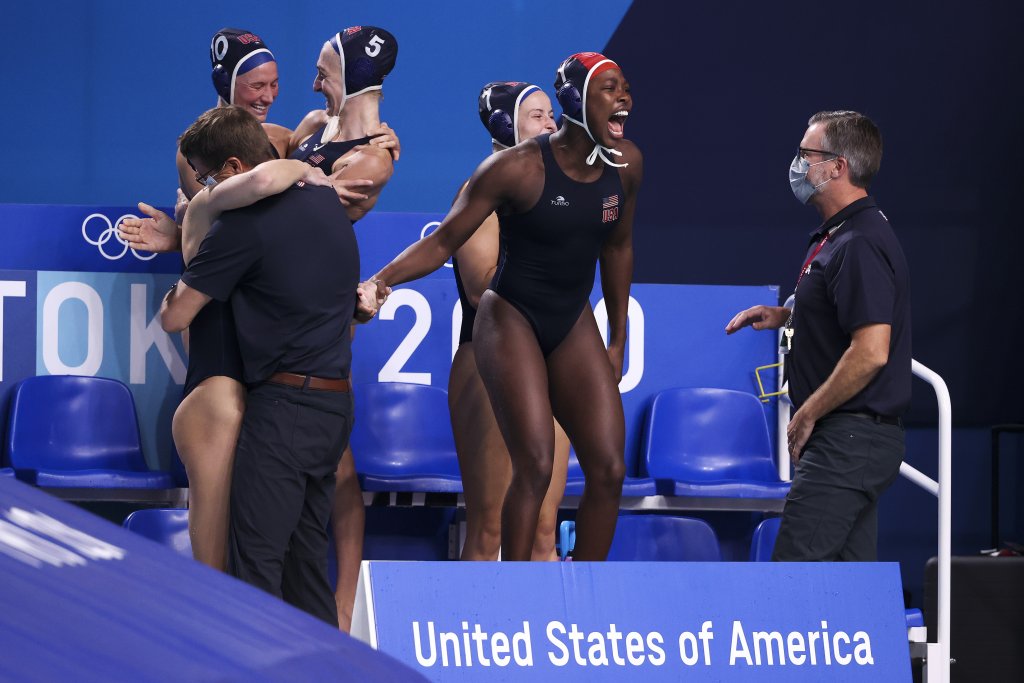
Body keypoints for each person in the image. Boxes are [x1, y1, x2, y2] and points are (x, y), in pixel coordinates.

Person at [361, 53, 642, 561]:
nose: (624, 98)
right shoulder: (516, 168)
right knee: (533, 465)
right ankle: (510, 600)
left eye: (625, 88)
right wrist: (381, 281)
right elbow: (444, 242)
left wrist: (618, 337)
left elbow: (618, 247)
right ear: (576, 102)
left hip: (570, 319)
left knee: (609, 470)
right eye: (610, 89)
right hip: (509, 317)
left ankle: (590, 598)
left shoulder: (626, 166)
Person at [161, 105, 365, 625]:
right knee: (300, 567)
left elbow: (175, 315)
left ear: (232, 169)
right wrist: (303, 167)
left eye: (206, 179)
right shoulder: (327, 207)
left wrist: (294, 165)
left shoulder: (239, 224)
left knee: (249, 571)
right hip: (330, 404)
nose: (201, 190)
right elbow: (272, 173)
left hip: (279, 407)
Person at [725, 110, 911, 561]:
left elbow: (870, 352)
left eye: (805, 155)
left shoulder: (859, 242)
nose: (797, 165)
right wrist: (788, 315)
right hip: (852, 441)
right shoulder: (838, 236)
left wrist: (807, 413)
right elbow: (844, 313)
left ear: (837, 167)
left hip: (847, 440)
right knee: (845, 593)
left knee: (794, 578)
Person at [452, 81, 568, 561]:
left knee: (545, 527)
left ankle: (540, 637)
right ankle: (471, 635)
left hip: (550, 361)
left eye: (551, 114)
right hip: (490, 362)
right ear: (505, 125)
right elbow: (481, 287)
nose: (552, 123)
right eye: (537, 115)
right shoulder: (482, 189)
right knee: (490, 529)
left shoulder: (561, 191)